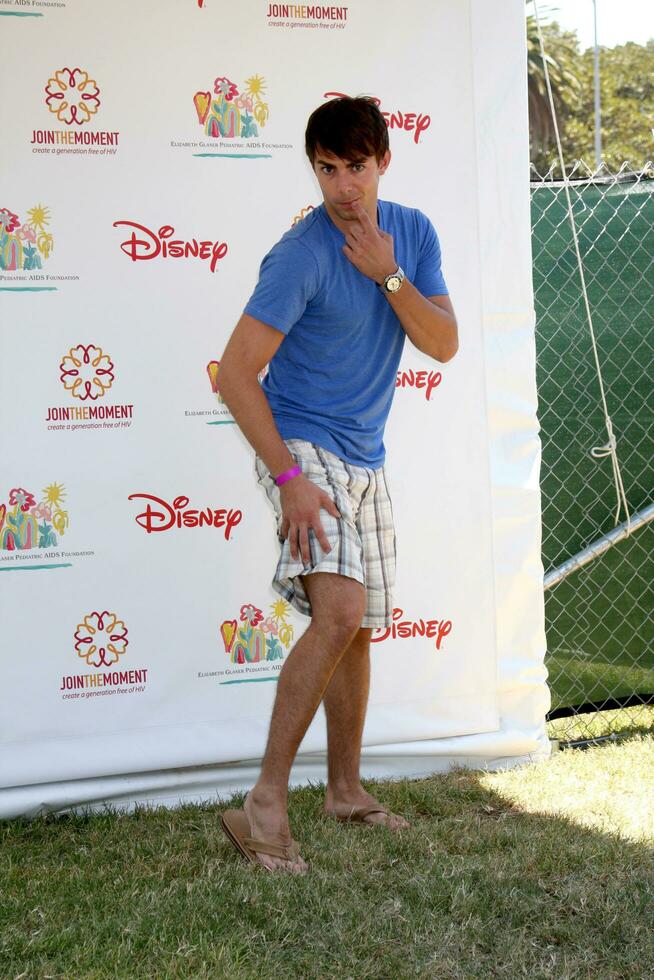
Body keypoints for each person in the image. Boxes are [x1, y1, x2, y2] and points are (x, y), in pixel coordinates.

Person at [217, 96, 458, 874]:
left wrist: (389, 275)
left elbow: (444, 344)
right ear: (314, 168)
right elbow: (235, 375)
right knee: (342, 604)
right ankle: (264, 803)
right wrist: (287, 476)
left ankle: (346, 790)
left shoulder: (413, 235)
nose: (344, 186)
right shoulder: (301, 253)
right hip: (300, 444)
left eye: (356, 167)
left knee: (357, 624)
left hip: (366, 455)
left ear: (383, 160)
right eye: (327, 169)